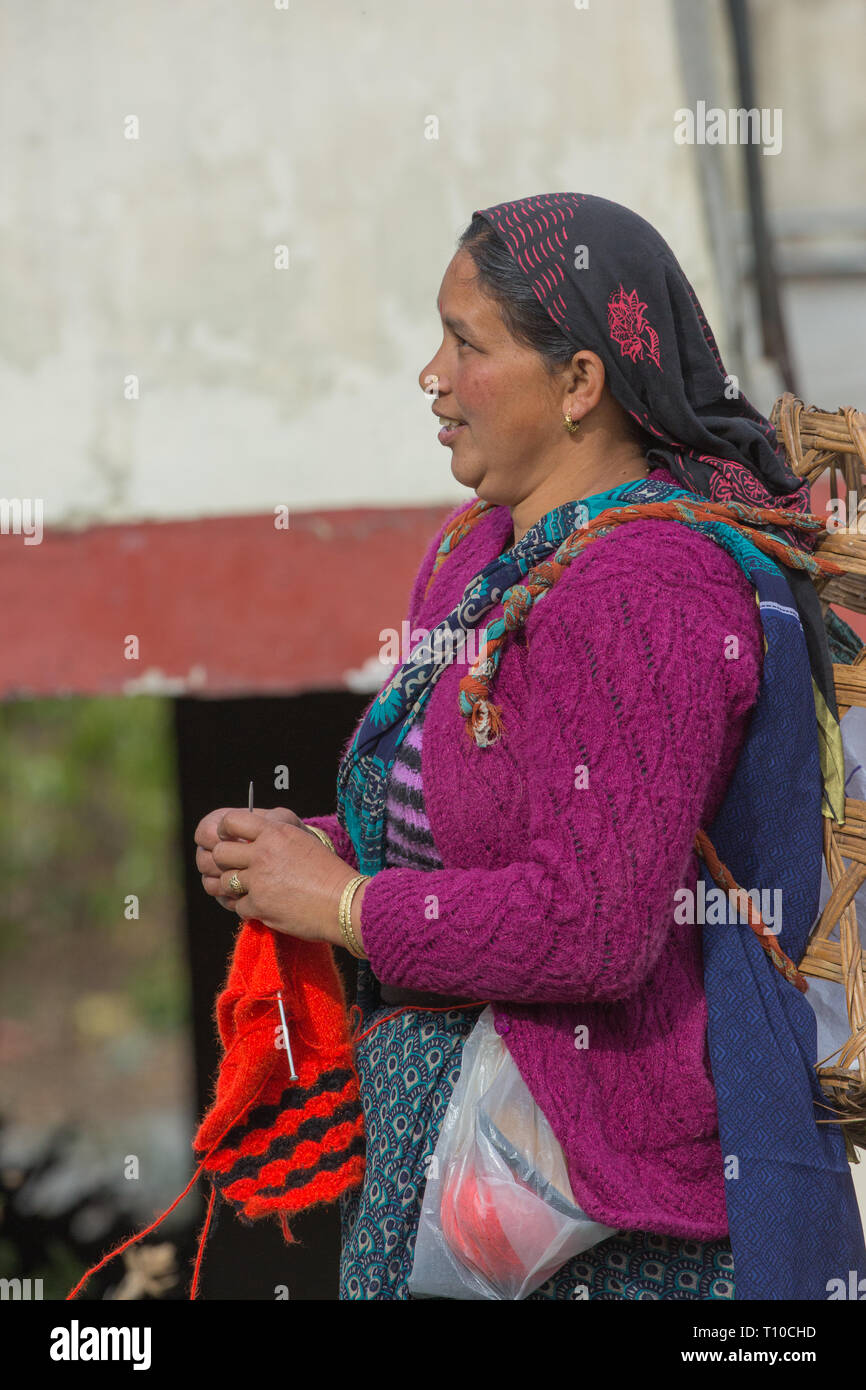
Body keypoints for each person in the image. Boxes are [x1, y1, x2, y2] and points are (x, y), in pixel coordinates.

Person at [194, 192, 866, 1301]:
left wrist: (344, 907)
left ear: (579, 383)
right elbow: (469, 841)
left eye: (468, 343)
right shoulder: (477, 558)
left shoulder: (651, 586)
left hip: (622, 1218)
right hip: (464, 1173)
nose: (432, 374)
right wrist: (297, 854)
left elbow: (592, 922)